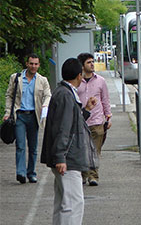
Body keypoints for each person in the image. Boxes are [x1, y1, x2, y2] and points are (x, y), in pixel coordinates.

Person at [41, 58, 97, 225]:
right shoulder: (66, 95)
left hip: (64, 157)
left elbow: (71, 122)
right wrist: (60, 157)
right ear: (79, 76)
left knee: (62, 202)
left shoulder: (62, 92)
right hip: (68, 158)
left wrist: (86, 110)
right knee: (73, 203)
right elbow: (63, 129)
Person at [3, 53, 52, 184]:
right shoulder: (16, 78)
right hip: (19, 115)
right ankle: (21, 172)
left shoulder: (42, 80)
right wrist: (8, 112)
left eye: (36, 64)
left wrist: (45, 105)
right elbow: (9, 95)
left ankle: (31, 172)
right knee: (20, 145)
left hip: (34, 116)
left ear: (39, 65)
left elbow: (48, 95)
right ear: (27, 64)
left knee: (33, 147)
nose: (33, 66)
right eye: (31, 63)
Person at [76, 52, 112, 186]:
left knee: (95, 150)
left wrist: (108, 116)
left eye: (93, 62)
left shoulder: (100, 81)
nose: (92, 64)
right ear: (82, 66)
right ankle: (83, 174)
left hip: (97, 121)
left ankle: (93, 176)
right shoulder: (77, 81)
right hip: (81, 121)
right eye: (88, 62)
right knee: (83, 150)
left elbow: (105, 99)